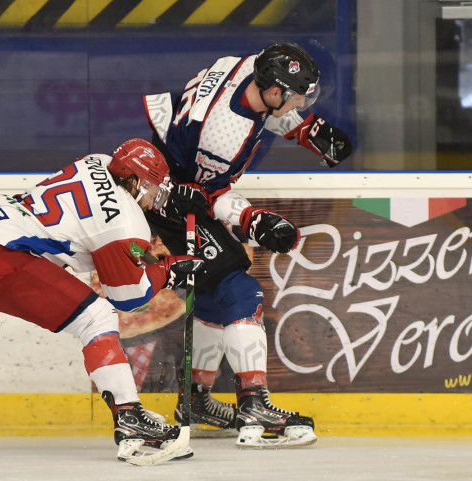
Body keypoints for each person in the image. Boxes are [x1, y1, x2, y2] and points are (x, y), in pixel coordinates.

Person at [0, 139, 204, 462]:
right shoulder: (125, 219)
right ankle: (130, 419)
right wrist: (167, 270)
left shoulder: (96, 160)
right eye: (152, 190)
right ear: (134, 181)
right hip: (1, 256)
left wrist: (150, 258)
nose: (153, 201)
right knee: (97, 318)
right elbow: (128, 296)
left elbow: (95, 229)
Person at [143, 41, 352, 447]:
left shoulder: (246, 66)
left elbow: (263, 107)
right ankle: (254, 403)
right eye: (296, 96)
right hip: (170, 193)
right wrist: (252, 220)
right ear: (274, 91)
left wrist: (303, 129)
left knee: (211, 291)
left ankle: (195, 402)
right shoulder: (224, 138)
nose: (300, 101)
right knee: (238, 288)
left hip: (166, 160)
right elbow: (208, 197)